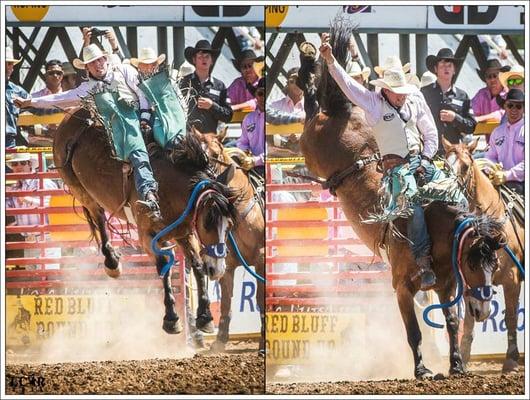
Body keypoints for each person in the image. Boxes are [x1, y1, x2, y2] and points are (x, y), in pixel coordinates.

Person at [320, 39, 439, 290]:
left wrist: (426, 159)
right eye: (397, 91)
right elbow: (349, 86)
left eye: (404, 90)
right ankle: (423, 260)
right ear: (385, 90)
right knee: (414, 206)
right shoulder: (373, 103)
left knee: (455, 194)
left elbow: (431, 134)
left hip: (421, 160)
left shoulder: (414, 99)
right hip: (396, 169)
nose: (402, 95)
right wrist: (331, 61)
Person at [14, 44, 179, 224]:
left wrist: (145, 117)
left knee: (173, 137)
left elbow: (142, 94)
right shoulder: (88, 88)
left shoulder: (124, 71)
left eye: (99, 60)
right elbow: (59, 98)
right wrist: (31, 102)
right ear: (87, 67)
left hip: (142, 116)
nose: (98, 64)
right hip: (123, 127)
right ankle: (148, 194)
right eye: (92, 62)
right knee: (137, 154)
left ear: (105, 59)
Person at [6, 153, 61, 269]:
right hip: (29, 241)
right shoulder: (14, 189)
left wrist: (29, 200)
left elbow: (54, 206)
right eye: (15, 164)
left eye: (23, 163)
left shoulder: (43, 183)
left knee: (50, 276)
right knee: (35, 278)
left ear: (30, 164)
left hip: (47, 239)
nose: (18, 166)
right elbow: (8, 208)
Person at [421, 48, 476, 155]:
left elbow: (471, 126)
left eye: (449, 65)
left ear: (454, 70)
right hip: (428, 151)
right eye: (442, 65)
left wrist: (455, 118)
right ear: (435, 69)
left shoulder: (462, 96)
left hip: (453, 153)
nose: (446, 69)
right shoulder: (424, 93)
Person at [180, 40, 233, 134]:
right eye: (200, 57)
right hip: (188, 139)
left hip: (210, 141)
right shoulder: (183, 82)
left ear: (211, 60)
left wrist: (212, 106)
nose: (204, 59)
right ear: (194, 60)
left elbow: (228, 116)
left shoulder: (220, 86)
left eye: (207, 56)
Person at [484, 89, 524, 195]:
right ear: (505, 107)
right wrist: (493, 169)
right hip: (498, 180)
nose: (514, 110)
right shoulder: (497, 132)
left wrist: (507, 175)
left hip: (522, 182)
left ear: (524, 109)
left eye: (518, 106)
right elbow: (490, 156)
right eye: (510, 105)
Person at [237, 77, 265, 177]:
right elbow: (243, 142)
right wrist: (244, 153)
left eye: (266, 94)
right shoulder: (248, 118)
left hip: (271, 167)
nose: (263, 97)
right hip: (251, 166)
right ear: (256, 96)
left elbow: (274, 150)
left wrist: (255, 160)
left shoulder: (275, 118)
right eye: (260, 94)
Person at [471, 59, 510, 123]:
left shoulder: (509, 94)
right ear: (485, 80)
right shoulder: (481, 94)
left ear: (502, 77)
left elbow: (502, 114)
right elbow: (472, 110)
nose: (492, 80)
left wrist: (478, 119)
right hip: (483, 132)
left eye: (495, 76)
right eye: (489, 76)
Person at [6, 47, 30, 148]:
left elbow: (36, 106)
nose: (7, 67)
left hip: (9, 141)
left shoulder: (18, 91)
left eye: (10, 64)